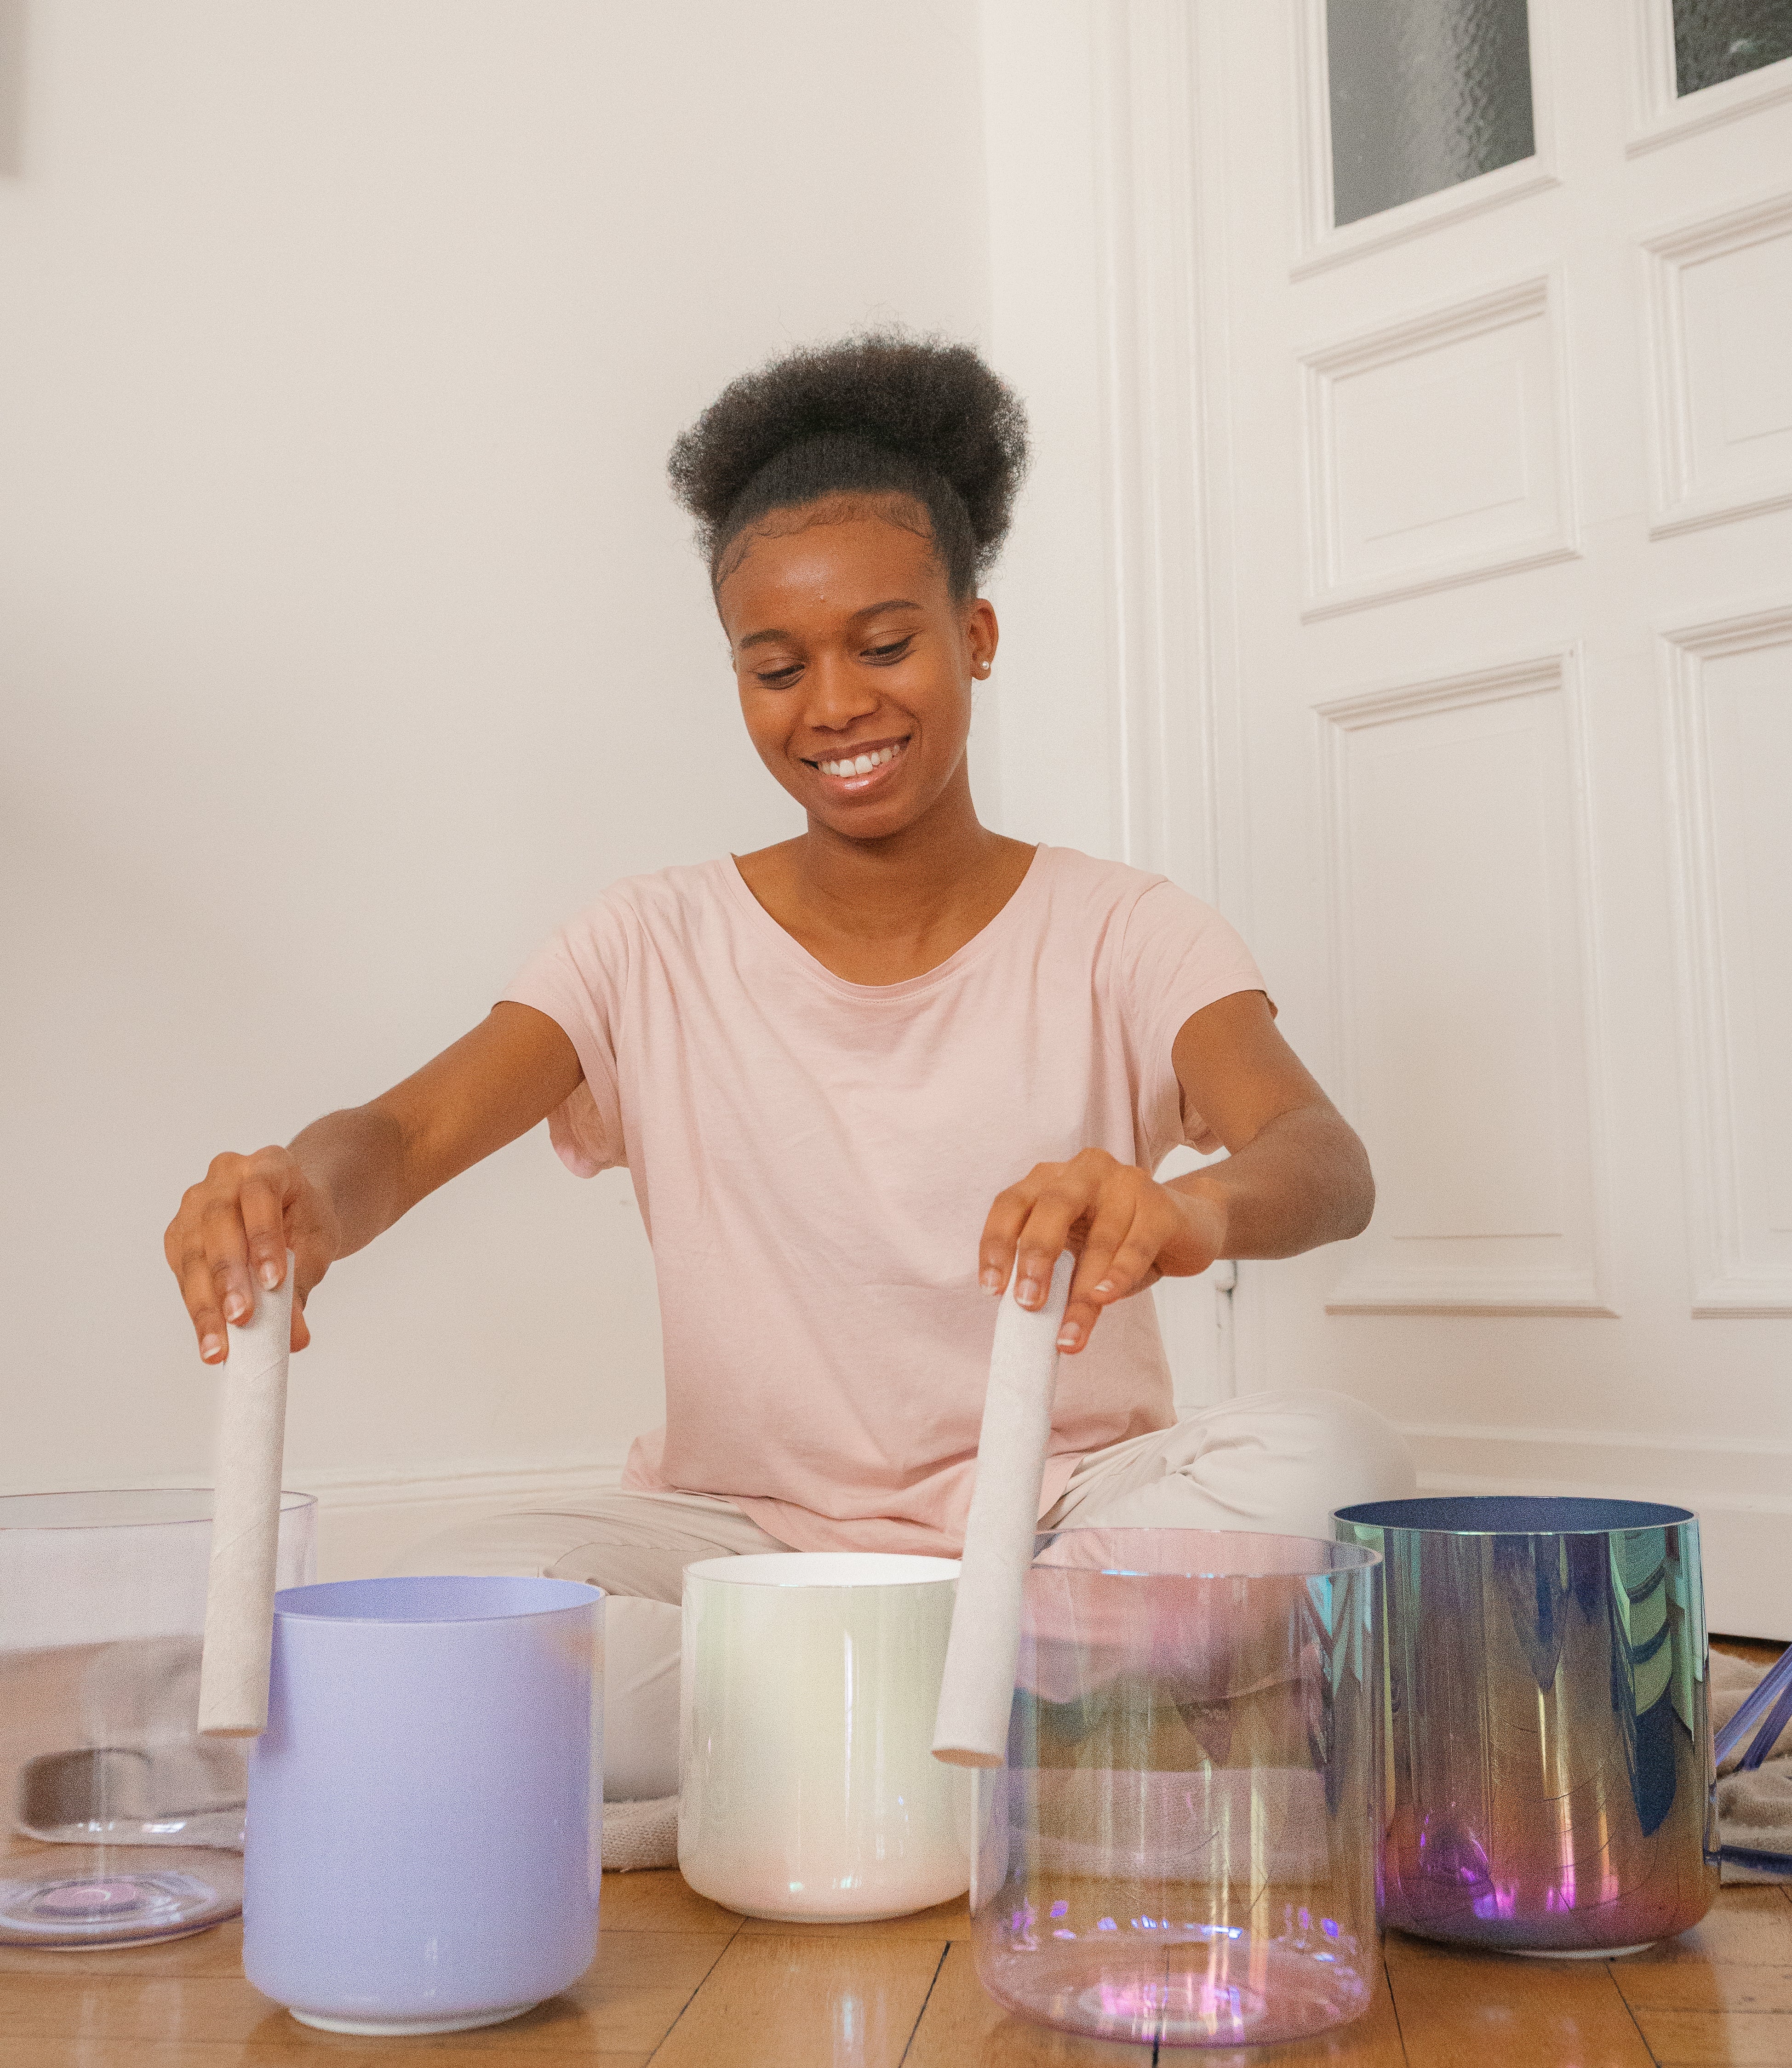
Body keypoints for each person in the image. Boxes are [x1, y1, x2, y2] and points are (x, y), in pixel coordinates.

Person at [164, 334, 1413, 1807]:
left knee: (1337, 1458)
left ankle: (855, 1734)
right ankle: (1047, 1719)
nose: (833, 704)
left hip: (1066, 1518)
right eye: (775, 665)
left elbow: (1321, 1157)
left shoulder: (1123, 927)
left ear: (977, 636)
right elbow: (400, 1131)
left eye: (884, 645)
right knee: (441, 1599)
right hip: (743, 1543)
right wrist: (299, 1192)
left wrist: (1187, 1211)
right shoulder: (649, 938)